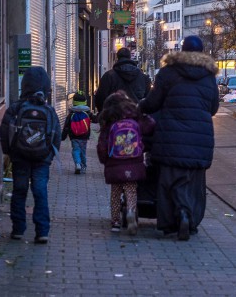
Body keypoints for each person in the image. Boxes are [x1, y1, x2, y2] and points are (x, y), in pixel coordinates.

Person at [138, 35, 219, 241]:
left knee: (168, 181)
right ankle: (188, 217)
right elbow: (213, 107)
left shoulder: (167, 73)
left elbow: (154, 102)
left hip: (170, 138)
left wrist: (141, 106)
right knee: (193, 183)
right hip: (199, 140)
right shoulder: (209, 76)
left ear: (181, 50)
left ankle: (173, 221)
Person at [0, 66, 62, 244]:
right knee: (40, 192)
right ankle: (42, 231)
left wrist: (9, 152)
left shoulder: (16, 108)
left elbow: (5, 131)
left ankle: (18, 229)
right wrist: (49, 156)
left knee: (19, 191)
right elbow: (56, 135)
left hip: (20, 157)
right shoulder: (48, 110)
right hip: (42, 158)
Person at [96, 90, 155, 235]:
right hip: (133, 162)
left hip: (114, 163)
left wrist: (105, 160)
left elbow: (102, 146)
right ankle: (130, 211)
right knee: (131, 190)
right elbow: (150, 126)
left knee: (115, 193)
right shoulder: (135, 118)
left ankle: (115, 222)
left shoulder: (109, 122)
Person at [94, 47, 151, 113]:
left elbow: (101, 97)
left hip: (115, 116)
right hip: (135, 116)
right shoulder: (143, 77)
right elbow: (148, 99)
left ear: (117, 57)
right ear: (130, 57)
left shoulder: (108, 76)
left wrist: (104, 114)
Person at [62, 90, 94, 174]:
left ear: (74, 102)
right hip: (84, 136)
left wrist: (63, 137)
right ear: (85, 102)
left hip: (74, 136)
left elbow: (66, 127)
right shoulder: (88, 112)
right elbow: (95, 119)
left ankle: (77, 163)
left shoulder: (71, 113)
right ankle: (83, 166)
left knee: (76, 150)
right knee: (83, 151)